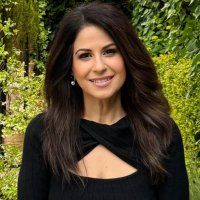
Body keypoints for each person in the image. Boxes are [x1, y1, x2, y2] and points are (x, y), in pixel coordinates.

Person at [18, 1, 189, 199]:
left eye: (109, 51)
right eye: (85, 55)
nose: (99, 66)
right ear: (70, 67)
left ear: (127, 57)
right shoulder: (44, 134)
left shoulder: (160, 133)